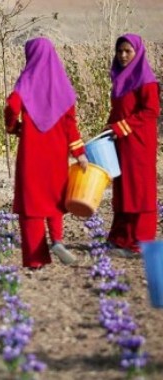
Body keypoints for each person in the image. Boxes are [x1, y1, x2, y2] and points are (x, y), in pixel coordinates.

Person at [4, 37, 88, 269]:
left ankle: (35, 259)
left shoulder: (27, 81)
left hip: (32, 152)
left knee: (31, 203)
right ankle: (58, 239)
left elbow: (12, 105)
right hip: (57, 152)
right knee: (54, 196)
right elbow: (71, 125)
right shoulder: (63, 85)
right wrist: (79, 153)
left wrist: (13, 127)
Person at [105, 34, 160, 258]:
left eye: (128, 51)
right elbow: (119, 110)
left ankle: (139, 243)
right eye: (120, 51)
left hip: (139, 143)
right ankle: (121, 237)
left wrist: (122, 126)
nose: (123, 55)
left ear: (137, 53)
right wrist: (109, 127)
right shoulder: (120, 78)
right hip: (122, 142)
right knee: (124, 188)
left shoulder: (146, 80)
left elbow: (150, 111)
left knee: (139, 190)